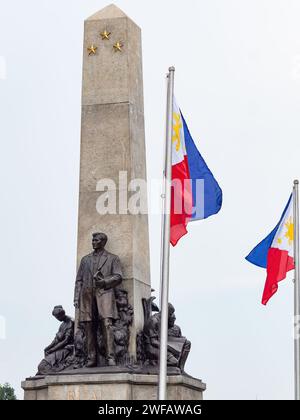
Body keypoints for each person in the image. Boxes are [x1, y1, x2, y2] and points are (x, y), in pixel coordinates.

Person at [74, 232, 123, 367]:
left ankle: (110, 357)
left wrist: (104, 282)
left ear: (103, 242)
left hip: (105, 294)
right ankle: (91, 358)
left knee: (106, 324)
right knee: (89, 326)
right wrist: (76, 298)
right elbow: (79, 280)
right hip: (87, 296)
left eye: (96, 240)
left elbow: (118, 276)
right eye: (93, 240)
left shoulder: (113, 258)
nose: (93, 242)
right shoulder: (85, 260)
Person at [37, 306, 74, 375]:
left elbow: (66, 340)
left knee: (42, 366)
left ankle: (54, 368)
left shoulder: (70, 322)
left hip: (67, 349)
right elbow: (56, 340)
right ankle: (52, 366)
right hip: (59, 348)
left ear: (61, 315)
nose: (57, 319)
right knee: (46, 353)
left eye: (57, 317)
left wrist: (53, 349)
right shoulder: (62, 324)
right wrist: (48, 347)